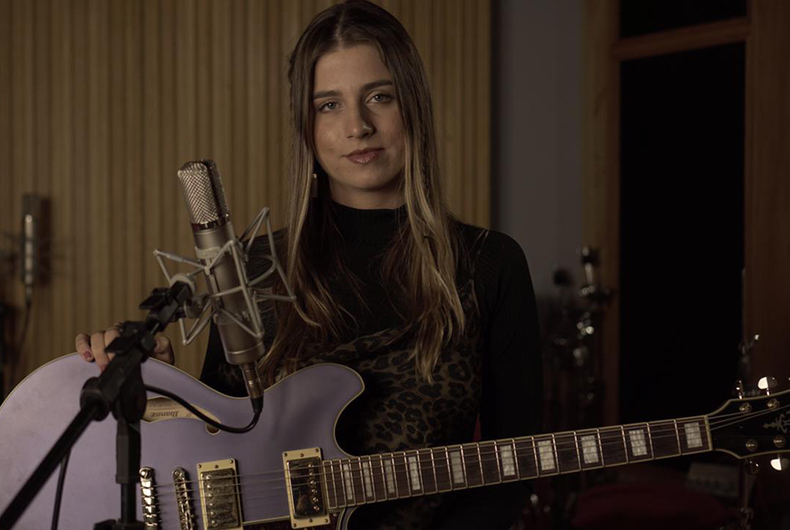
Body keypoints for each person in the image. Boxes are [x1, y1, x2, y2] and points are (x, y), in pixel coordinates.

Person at [75, 1, 542, 528]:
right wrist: (160, 383)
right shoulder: (251, 268)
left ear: (413, 104)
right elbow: (218, 451)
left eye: (380, 97)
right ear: (307, 126)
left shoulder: (490, 264)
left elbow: (512, 472)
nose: (357, 126)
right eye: (329, 105)